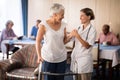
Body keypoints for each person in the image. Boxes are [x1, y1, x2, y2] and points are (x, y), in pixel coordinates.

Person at [36, 3, 71, 80]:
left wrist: (71, 36)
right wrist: (39, 56)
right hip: (48, 58)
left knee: (60, 78)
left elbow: (64, 41)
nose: (63, 16)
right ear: (55, 14)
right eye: (62, 14)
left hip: (61, 58)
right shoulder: (43, 25)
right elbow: (38, 41)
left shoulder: (64, 25)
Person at [70, 8, 96, 80]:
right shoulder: (79, 27)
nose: (80, 18)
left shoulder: (92, 30)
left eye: (82, 15)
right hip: (76, 58)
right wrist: (70, 34)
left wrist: (77, 35)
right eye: (80, 15)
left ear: (89, 17)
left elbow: (87, 46)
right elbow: (72, 38)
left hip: (84, 60)